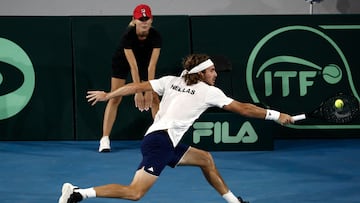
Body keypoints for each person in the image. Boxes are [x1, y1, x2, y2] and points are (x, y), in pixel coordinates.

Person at [59, 54, 294, 203]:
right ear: (201, 73)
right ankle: (79, 193)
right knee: (135, 193)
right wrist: (277, 115)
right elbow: (243, 109)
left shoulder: (171, 80)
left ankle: (234, 202)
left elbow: (134, 86)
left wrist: (108, 94)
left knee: (205, 159)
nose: (215, 74)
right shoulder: (208, 91)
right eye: (211, 70)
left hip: (159, 138)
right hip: (161, 142)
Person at [99, 4, 162, 152]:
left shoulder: (156, 36)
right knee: (116, 97)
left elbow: (151, 66)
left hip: (144, 63)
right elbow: (132, 67)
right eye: (141, 19)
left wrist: (149, 91)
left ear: (151, 20)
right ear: (134, 20)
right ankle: (105, 139)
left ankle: (162, 137)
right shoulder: (127, 36)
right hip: (123, 62)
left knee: (154, 97)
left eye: (147, 19)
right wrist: (138, 92)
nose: (144, 22)